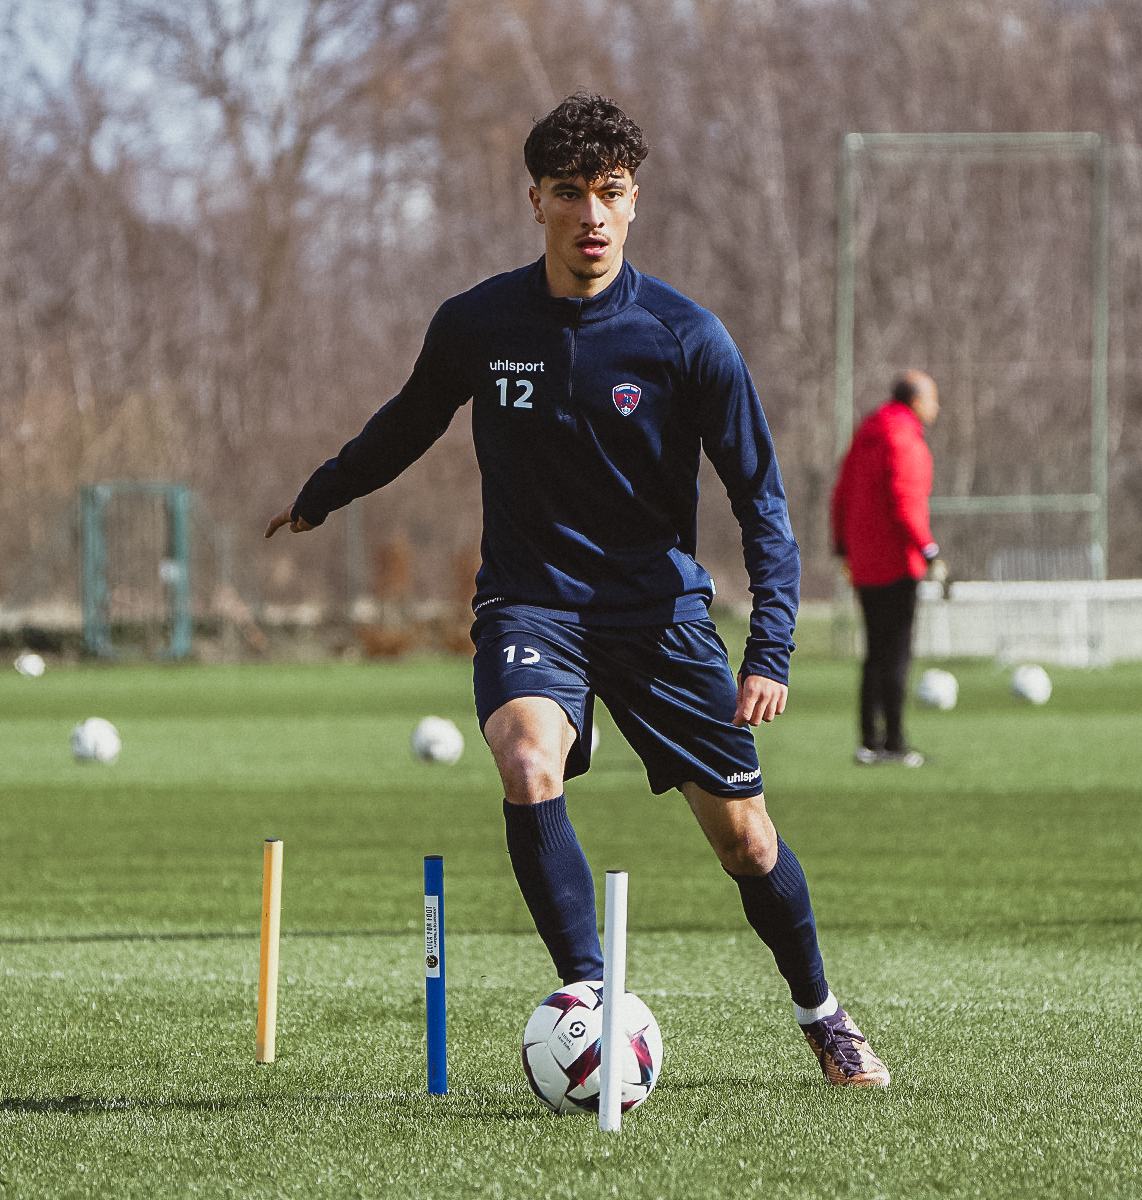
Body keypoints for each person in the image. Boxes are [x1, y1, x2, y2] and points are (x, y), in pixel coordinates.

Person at [265, 93, 889, 1087]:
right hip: (532, 605)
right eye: (568, 193)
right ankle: (593, 1008)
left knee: (745, 842)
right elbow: (409, 420)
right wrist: (323, 494)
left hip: (661, 617)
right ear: (536, 202)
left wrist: (769, 648)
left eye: (610, 191)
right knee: (526, 761)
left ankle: (822, 1013)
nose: (590, 215)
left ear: (635, 201)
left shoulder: (686, 337)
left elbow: (761, 501)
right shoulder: (478, 323)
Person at [830, 370, 942, 767]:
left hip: (863, 561)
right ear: (915, 401)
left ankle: (869, 741)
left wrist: (843, 546)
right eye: (933, 398)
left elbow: (841, 493)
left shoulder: (867, 434)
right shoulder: (903, 437)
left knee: (875, 652)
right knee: (896, 652)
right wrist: (928, 548)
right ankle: (894, 742)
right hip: (896, 561)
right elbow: (904, 498)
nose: (937, 406)